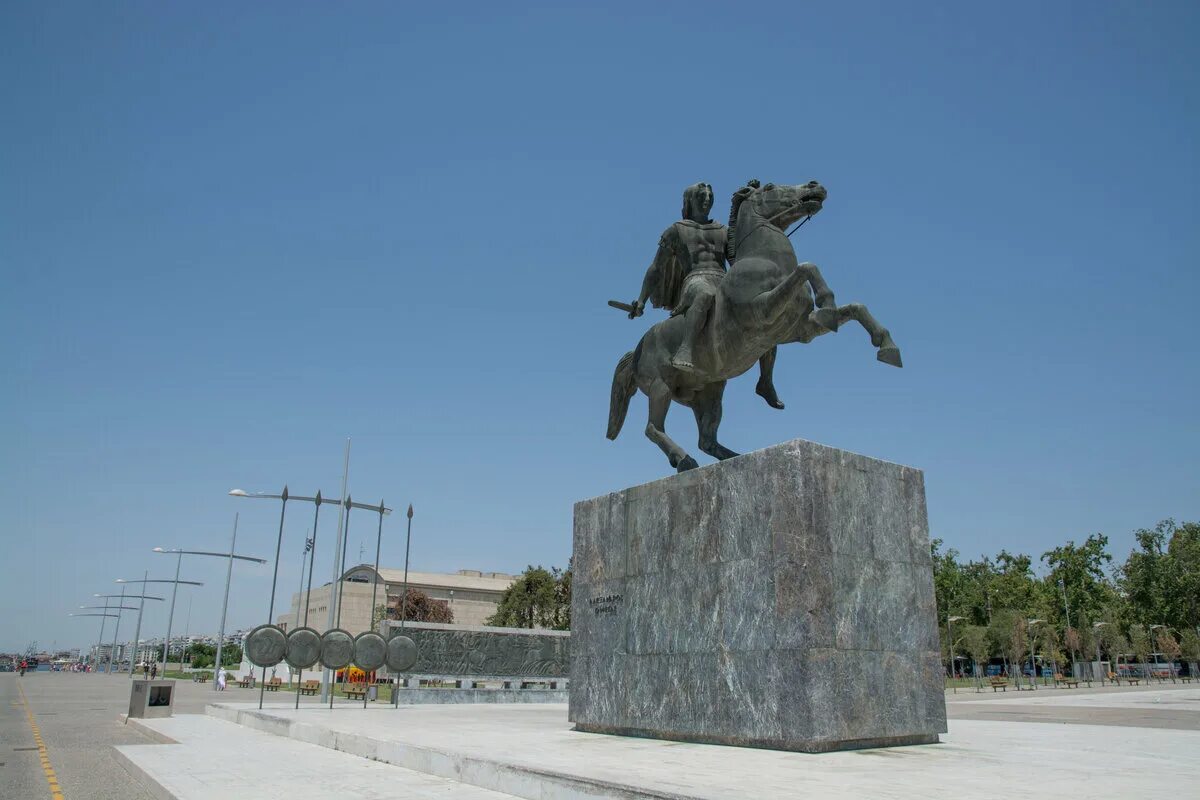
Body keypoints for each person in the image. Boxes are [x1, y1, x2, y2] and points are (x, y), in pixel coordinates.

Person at [627, 183, 790, 408]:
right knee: (704, 295)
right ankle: (686, 348)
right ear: (690, 200)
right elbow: (656, 268)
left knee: (764, 312)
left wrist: (737, 206)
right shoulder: (676, 230)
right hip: (696, 279)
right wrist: (641, 300)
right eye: (701, 195)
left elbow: (734, 255)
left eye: (710, 195)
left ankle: (765, 379)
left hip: (723, 278)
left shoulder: (721, 229)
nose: (707, 198)